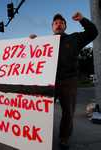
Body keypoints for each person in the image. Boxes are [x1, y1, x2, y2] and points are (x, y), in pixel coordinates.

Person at [30, 12, 98, 149]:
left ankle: (64, 139)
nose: (58, 24)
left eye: (61, 22)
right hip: (49, 82)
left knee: (68, 112)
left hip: (69, 81)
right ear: (52, 27)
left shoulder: (74, 38)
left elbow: (93, 32)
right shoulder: (45, 42)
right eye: (56, 23)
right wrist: (32, 42)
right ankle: (37, 136)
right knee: (41, 110)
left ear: (65, 26)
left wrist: (82, 20)